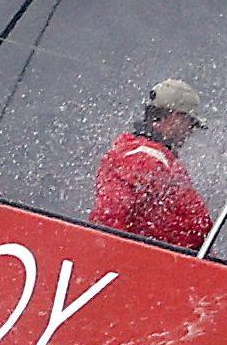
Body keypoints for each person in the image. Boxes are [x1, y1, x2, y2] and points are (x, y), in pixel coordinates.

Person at [91, 79, 212, 251]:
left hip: (171, 266)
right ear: (174, 117)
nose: (190, 131)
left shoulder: (158, 158)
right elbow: (109, 219)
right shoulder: (142, 158)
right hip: (148, 268)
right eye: (189, 123)